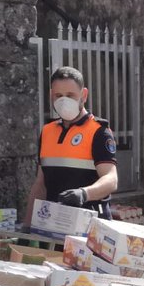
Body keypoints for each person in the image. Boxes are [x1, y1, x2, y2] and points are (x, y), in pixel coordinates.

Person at [24, 65, 118, 221]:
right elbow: (40, 184)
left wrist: (84, 193)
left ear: (84, 95)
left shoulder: (99, 132)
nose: (64, 101)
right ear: (51, 96)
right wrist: (27, 226)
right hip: (54, 222)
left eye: (70, 95)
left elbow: (111, 180)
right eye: (58, 96)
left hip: (91, 223)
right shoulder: (47, 131)